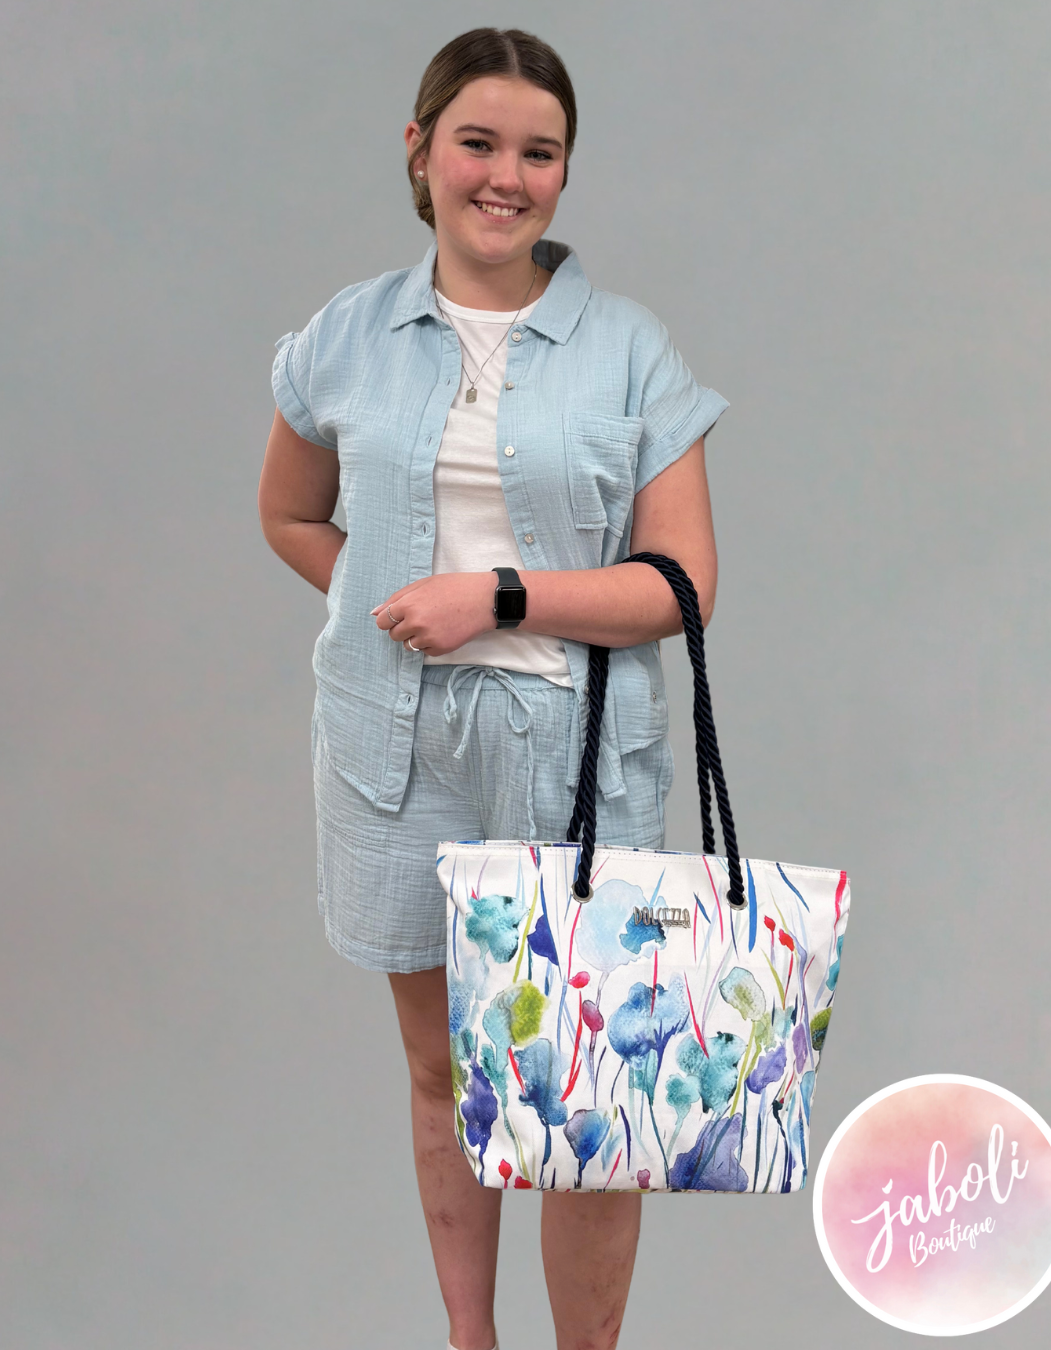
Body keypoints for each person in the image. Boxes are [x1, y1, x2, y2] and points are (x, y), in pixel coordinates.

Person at [258, 27, 727, 1350]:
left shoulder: (628, 349)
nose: (505, 177)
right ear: (421, 151)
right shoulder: (348, 335)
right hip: (391, 752)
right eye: (478, 142)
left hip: (575, 754)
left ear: (565, 172)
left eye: (539, 151)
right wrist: (386, 606)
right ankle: (471, 1341)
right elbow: (289, 513)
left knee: (587, 1105)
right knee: (440, 1072)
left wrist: (496, 598)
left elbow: (683, 585)